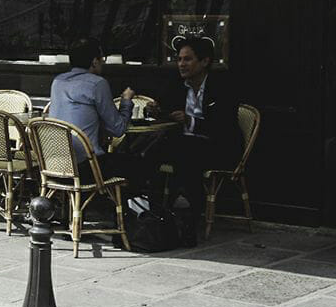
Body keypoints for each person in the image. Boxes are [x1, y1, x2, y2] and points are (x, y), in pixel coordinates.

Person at [138, 34, 241, 216]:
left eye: (187, 59)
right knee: (148, 148)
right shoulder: (177, 85)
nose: (181, 64)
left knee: (184, 149)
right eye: (179, 59)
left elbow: (223, 127)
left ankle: (187, 208)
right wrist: (155, 110)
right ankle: (147, 205)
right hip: (184, 145)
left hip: (218, 147)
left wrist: (190, 120)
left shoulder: (221, 87)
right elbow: (164, 109)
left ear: (204, 62)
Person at [48, 38, 134, 176]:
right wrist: (126, 101)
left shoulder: (58, 82)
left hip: (53, 166)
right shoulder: (97, 84)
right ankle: (118, 198)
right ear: (94, 61)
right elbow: (118, 129)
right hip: (86, 167)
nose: (103, 62)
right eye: (102, 58)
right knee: (137, 164)